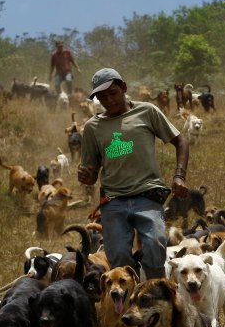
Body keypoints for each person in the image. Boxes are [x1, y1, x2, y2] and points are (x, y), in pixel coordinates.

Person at [77, 68, 189, 280]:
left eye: (113, 93)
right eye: (102, 97)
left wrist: (179, 176)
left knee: (156, 246)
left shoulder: (147, 112)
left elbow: (180, 141)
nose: (108, 100)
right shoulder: (93, 127)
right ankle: (131, 300)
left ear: (124, 88)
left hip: (147, 195)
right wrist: (86, 177)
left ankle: (156, 294)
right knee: (118, 257)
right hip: (113, 200)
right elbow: (91, 173)